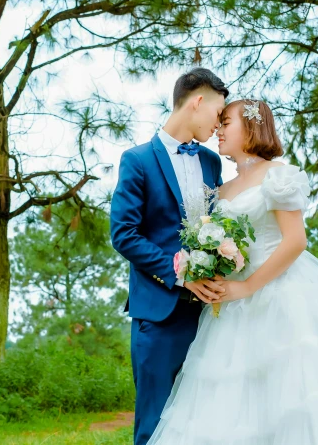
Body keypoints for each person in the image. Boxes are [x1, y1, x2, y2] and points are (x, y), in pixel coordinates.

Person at [146, 99, 318, 445]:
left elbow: (295, 242)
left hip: (280, 298)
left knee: (292, 401)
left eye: (226, 123)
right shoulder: (221, 190)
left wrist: (247, 286)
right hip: (230, 306)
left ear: (251, 127)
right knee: (228, 402)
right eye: (218, 125)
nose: (218, 131)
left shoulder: (279, 176)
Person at [110, 68, 229, 445]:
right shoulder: (138, 160)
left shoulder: (212, 163)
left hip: (212, 316)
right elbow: (123, 234)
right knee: (155, 424)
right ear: (197, 102)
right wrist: (181, 272)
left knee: (204, 422)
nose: (219, 124)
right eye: (217, 113)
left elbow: (220, 226)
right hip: (159, 314)